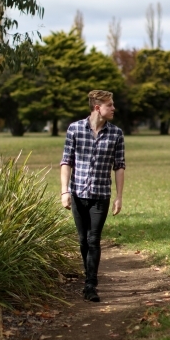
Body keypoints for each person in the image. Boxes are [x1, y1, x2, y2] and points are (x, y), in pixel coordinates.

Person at [60, 89, 125, 302]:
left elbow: (119, 166)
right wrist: (65, 191)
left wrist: (119, 196)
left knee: (94, 239)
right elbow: (66, 162)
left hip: (101, 195)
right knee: (82, 241)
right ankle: (88, 277)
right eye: (110, 105)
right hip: (78, 193)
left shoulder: (116, 134)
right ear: (98, 108)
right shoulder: (75, 129)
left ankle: (91, 284)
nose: (114, 108)